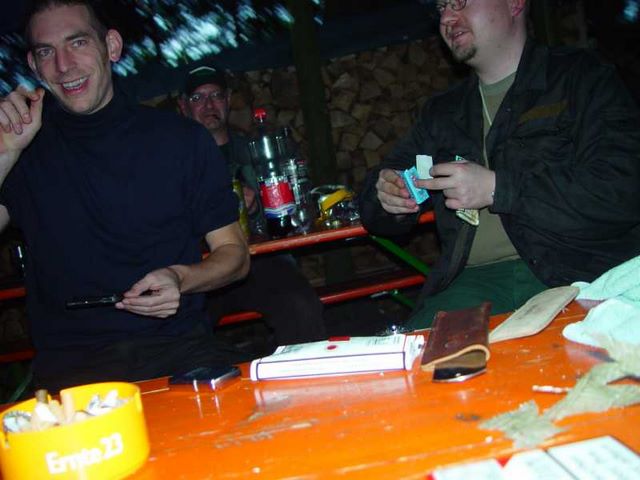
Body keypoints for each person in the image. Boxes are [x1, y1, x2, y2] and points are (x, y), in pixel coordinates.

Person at [0, 0, 251, 390]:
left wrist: (181, 278)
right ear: (33, 65)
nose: (64, 65)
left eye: (78, 42)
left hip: (179, 351)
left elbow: (235, 256)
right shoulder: (23, 152)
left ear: (111, 47)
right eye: (46, 52)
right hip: (71, 370)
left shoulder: (181, 140)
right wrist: (4, 153)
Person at [359, 0, 640, 329]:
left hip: (577, 273)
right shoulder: (443, 113)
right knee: (419, 356)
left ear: (514, 3)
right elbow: (375, 203)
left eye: (460, 2)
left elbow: (623, 191)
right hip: (473, 283)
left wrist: (497, 188)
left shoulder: (581, 77)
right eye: (442, 7)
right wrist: (388, 198)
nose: (447, 17)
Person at [177, 66, 326, 348]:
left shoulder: (258, 151)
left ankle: (307, 369)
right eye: (198, 98)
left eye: (215, 96)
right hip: (201, 269)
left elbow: (292, 215)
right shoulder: (172, 161)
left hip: (259, 262)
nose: (209, 105)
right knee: (179, 329)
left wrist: (256, 208)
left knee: (300, 305)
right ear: (183, 106)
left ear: (228, 99)